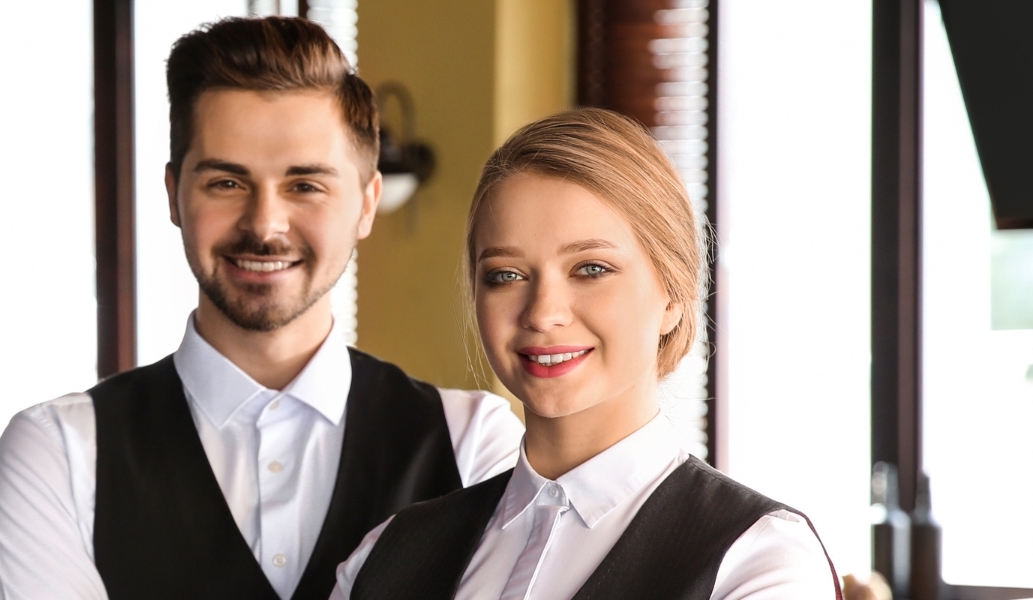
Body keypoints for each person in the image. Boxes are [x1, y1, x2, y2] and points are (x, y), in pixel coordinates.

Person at [0, 17, 524, 600]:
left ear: (366, 204)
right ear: (174, 196)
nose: (264, 225)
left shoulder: (476, 446)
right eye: (226, 183)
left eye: (305, 185)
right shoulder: (57, 454)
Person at [329, 108, 841, 599]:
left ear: (675, 297)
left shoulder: (758, 561)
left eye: (591, 269)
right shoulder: (384, 557)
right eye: (506, 276)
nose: (542, 312)